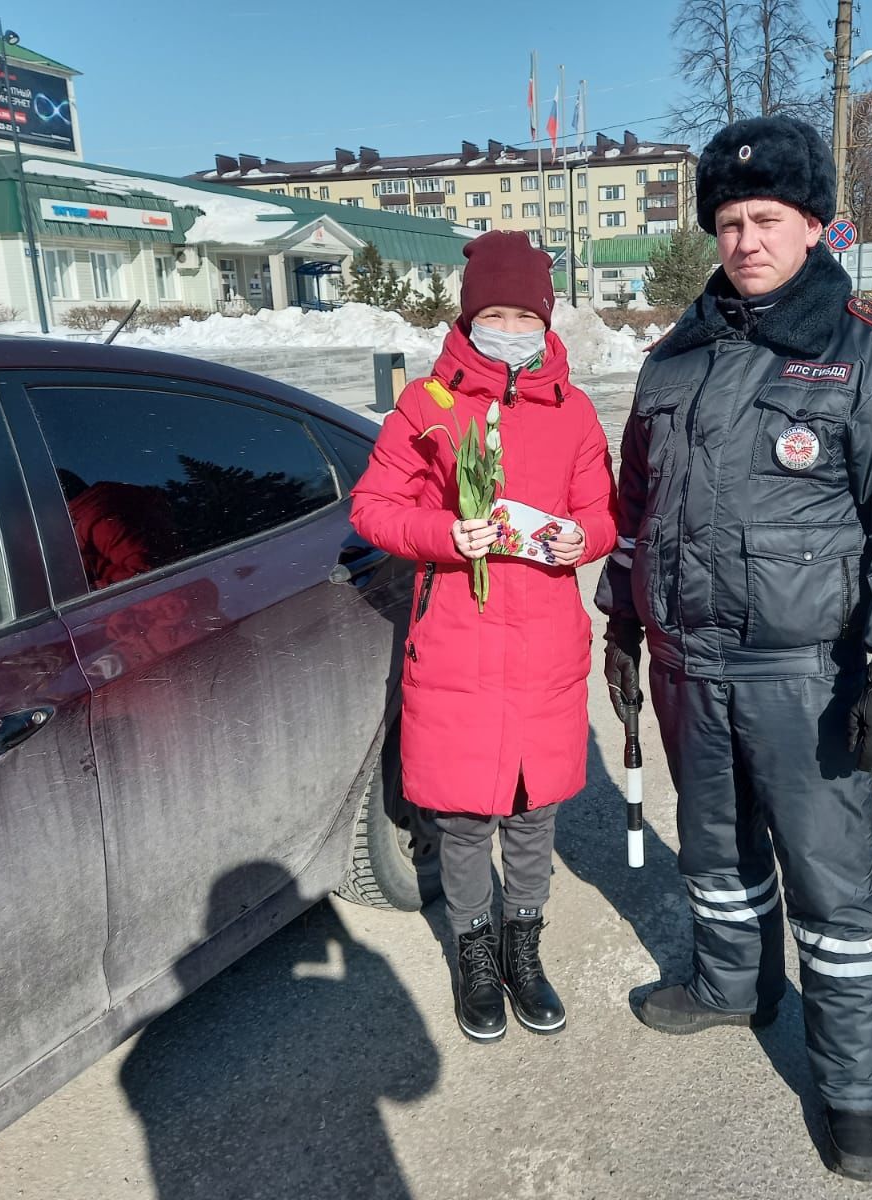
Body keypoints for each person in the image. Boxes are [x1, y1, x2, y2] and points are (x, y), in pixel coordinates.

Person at [595, 116, 872, 1181]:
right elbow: (640, 506)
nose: (745, 239)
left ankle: (854, 1088)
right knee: (713, 850)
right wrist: (623, 614)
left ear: (814, 223)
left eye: (767, 218)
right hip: (688, 664)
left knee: (834, 892)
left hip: (803, 675)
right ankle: (731, 985)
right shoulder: (675, 357)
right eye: (727, 221)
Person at [351, 231, 618, 1044]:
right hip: (457, 644)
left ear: (544, 319)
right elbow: (371, 508)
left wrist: (586, 539)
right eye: (492, 313)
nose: (508, 327)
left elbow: (601, 509)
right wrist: (444, 533)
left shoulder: (571, 411)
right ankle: (473, 951)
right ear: (470, 319)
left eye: (521, 314)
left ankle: (523, 948)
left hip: (542, 645)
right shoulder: (426, 406)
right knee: (466, 819)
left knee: (534, 813)